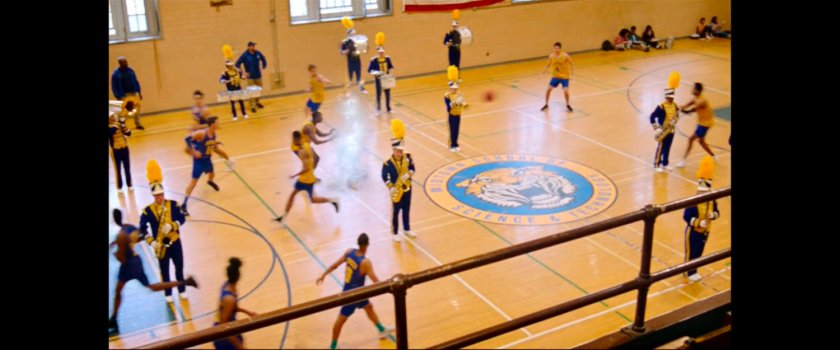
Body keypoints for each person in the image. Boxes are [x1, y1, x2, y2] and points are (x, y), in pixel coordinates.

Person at [109, 218, 198, 333]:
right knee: (147, 287)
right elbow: (141, 235)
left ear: (114, 220)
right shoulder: (128, 227)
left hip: (129, 265)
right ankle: (185, 282)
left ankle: (114, 319)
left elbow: (121, 258)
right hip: (136, 261)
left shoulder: (120, 236)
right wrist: (129, 242)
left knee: (122, 291)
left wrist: (116, 253)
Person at [316, 233, 395, 350]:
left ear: (358, 243)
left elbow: (335, 265)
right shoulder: (365, 262)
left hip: (354, 291)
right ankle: (332, 346)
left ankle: (381, 330)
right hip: (352, 295)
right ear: (367, 245)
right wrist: (389, 285)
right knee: (341, 320)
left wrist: (323, 274)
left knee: (369, 307)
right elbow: (375, 281)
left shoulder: (349, 252)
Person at [140, 160, 190, 302]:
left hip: (175, 242)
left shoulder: (173, 205)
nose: (159, 198)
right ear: (153, 196)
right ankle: (168, 293)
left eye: (161, 194)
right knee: (164, 271)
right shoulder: (147, 211)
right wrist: (151, 242)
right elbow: (142, 229)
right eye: (157, 196)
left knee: (179, 267)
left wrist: (174, 225)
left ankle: (182, 289)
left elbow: (182, 218)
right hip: (160, 245)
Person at [275, 131, 339, 224]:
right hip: (310, 177)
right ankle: (332, 200)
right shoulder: (307, 145)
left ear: (296, 139)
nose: (292, 141)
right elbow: (315, 159)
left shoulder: (301, 151)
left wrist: (294, 175)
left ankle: (283, 217)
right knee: (311, 199)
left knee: (293, 196)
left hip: (304, 179)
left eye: (293, 139)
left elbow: (305, 168)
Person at [181, 117, 234, 216]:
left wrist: (216, 142)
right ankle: (184, 204)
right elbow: (187, 139)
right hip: (199, 161)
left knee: (212, 174)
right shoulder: (202, 133)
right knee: (193, 183)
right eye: (217, 122)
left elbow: (208, 144)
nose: (219, 123)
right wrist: (193, 152)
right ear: (212, 124)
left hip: (207, 159)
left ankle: (210, 181)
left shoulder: (213, 134)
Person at [682, 156, 720, 282]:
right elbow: (686, 216)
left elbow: (717, 212)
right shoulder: (694, 201)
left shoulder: (712, 199)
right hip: (693, 231)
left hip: (706, 231)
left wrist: (713, 215)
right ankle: (688, 271)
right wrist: (698, 222)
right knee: (690, 252)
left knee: (699, 252)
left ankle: (694, 270)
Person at [381, 120, 416, 242]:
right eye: (399, 151)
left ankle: (407, 228)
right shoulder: (387, 164)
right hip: (396, 190)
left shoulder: (408, 157)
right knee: (396, 211)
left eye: (402, 150)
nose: (401, 152)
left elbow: (412, 168)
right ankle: (395, 231)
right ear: (394, 150)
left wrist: (409, 174)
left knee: (407, 208)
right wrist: (391, 187)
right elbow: (385, 176)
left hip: (407, 187)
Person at [213, 257, 258, 350]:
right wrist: (239, 347)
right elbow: (224, 326)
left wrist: (248, 312)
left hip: (231, 327)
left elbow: (234, 308)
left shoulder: (228, 285)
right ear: (239, 276)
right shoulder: (229, 299)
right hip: (224, 335)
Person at [676, 82, 717, 167]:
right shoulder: (695, 98)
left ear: (698, 91)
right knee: (701, 142)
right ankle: (713, 156)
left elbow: (690, 110)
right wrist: (676, 107)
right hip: (701, 123)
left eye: (693, 88)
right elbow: (685, 106)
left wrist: (682, 110)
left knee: (691, 139)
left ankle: (683, 161)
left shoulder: (702, 101)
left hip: (705, 124)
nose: (692, 89)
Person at [650, 88, 680, 172]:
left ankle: (665, 163)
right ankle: (656, 164)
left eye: (672, 97)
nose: (672, 99)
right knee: (661, 147)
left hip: (671, 130)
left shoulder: (675, 105)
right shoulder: (661, 107)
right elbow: (652, 116)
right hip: (663, 131)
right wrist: (656, 128)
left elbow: (677, 116)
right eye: (670, 97)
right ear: (666, 97)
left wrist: (675, 121)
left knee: (668, 147)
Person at [111, 56, 145, 129]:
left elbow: (136, 81)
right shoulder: (116, 74)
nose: (126, 63)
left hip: (132, 93)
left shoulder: (130, 71)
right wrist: (118, 96)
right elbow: (114, 86)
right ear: (120, 63)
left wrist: (139, 91)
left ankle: (138, 124)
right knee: (123, 111)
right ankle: (123, 126)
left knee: (136, 109)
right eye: (124, 62)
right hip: (123, 95)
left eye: (126, 62)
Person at [235, 41, 268, 113]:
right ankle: (252, 106)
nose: (254, 47)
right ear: (249, 47)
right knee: (252, 91)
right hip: (250, 77)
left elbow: (263, 59)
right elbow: (237, 64)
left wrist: (264, 66)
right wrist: (243, 72)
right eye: (252, 46)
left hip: (258, 75)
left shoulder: (257, 53)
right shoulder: (245, 55)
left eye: (254, 46)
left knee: (258, 90)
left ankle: (257, 102)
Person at [541, 42, 573, 112]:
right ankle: (546, 104)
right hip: (555, 77)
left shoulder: (565, 56)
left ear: (560, 48)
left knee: (566, 92)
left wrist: (572, 72)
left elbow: (571, 63)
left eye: (557, 48)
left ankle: (567, 104)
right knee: (548, 90)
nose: (556, 49)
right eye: (555, 48)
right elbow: (547, 64)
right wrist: (544, 70)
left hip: (564, 77)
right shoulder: (551, 56)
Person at [109, 109, 133, 193]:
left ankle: (129, 184)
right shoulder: (110, 127)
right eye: (111, 117)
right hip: (116, 151)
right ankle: (119, 187)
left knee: (127, 168)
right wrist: (117, 124)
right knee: (118, 169)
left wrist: (124, 126)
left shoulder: (118, 124)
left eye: (113, 116)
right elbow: (111, 132)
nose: (113, 117)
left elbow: (128, 134)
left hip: (125, 149)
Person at [368, 47, 395, 114]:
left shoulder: (387, 59)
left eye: (382, 52)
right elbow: (370, 70)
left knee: (388, 94)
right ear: (377, 52)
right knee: (378, 95)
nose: (381, 53)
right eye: (380, 52)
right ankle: (378, 109)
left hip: (386, 79)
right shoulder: (374, 60)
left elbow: (390, 67)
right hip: (379, 79)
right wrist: (374, 73)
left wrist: (391, 73)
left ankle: (388, 109)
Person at [341, 29, 367, 94]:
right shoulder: (345, 42)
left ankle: (362, 89)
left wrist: (363, 48)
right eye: (352, 34)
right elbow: (342, 52)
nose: (353, 35)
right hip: (350, 61)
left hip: (357, 60)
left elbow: (363, 49)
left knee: (359, 76)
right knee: (350, 77)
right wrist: (348, 50)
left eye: (354, 34)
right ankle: (348, 91)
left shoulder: (357, 41)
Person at [444, 81, 465, 151]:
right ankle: (452, 145)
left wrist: (463, 104)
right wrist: (455, 102)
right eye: (454, 88)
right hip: (452, 115)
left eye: (456, 88)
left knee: (457, 130)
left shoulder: (459, 94)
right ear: (450, 89)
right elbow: (448, 106)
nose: (455, 90)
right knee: (452, 130)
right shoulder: (447, 95)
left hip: (458, 114)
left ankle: (456, 144)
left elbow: (461, 104)